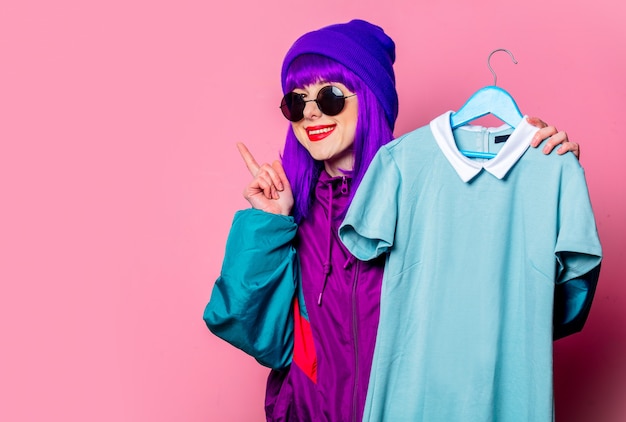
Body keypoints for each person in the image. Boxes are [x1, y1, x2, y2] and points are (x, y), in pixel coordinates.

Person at [203, 19, 581, 421]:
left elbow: (525, 319)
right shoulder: (296, 214)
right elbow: (257, 335)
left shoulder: (431, 195)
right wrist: (268, 226)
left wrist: (537, 190)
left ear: (369, 98)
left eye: (330, 97)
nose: (311, 114)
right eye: (296, 101)